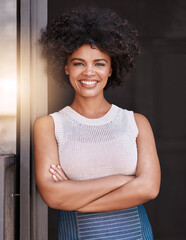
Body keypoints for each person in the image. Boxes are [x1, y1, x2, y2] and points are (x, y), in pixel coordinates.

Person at [34, 7, 161, 240]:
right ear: (66, 67)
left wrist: (78, 200)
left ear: (111, 68)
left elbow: (149, 188)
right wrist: (122, 181)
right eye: (78, 63)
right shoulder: (49, 126)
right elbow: (53, 196)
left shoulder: (136, 123)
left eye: (99, 63)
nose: (89, 72)